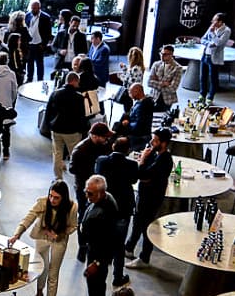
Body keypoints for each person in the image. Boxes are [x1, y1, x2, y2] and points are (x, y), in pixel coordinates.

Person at [13, 181, 77, 296]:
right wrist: (17, 234)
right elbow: (28, 217)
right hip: (42, 236)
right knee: (41, 268)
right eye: (51, 196)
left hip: (59, 240)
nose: (52, 200)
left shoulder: (72, 207)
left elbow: (73, 226)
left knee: (53, 273)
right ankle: (39, 293)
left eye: (56, 198)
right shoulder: (43, 202)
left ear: (63, 197)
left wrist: (60, 234)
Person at [126, 128, 176, 263]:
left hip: (151, 198)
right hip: (144, 195)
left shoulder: (164, 160)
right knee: (137, 222)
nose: (151, 142)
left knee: (146, 227)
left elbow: (143, 175)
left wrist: (142, 160)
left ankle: (144, 258)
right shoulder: (155, 154)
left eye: (155, 140)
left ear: (164, 143)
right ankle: (129, 247)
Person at [76, 174, 123, 296]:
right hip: (93, 252)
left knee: (96, 290)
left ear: (101, 193)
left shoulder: (103, 214)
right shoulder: (105, 198)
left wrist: (96, 263)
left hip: (97, 257)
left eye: (90, 193)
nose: (86, 195)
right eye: (86, 191)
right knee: (96, 289)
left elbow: (109, 242)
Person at [94, 138, 138, 287]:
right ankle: (118, 276)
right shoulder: (132, 165)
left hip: (105, 208)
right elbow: (133, 180)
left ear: (113, 146)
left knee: (101, 241)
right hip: (123, 209)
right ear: (128, 151)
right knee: (119, 245)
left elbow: (97, 176)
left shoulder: (101, 161)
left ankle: (98, 271)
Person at [69, 123, 114, 198]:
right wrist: (91, 170)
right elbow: (72, 169)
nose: (107, 139)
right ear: (95, 136)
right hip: (85, 187)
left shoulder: (104, 145)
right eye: (105, 137)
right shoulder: (80, 150)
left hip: (100, 185)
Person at [199, 12, 234, 102]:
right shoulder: (211, 27)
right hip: (205, 55)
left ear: (220, 22)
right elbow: (203, 39)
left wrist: (212, 34)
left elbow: (219, 43)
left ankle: (210, 98)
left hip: (214, 57)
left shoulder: (226, 30)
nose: (212, 21)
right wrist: (210, 44)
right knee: (203, 77)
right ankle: (202, 95)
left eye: (214, 20)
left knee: (213, 78)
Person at [122, 82, 158, 150]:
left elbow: (139, 124)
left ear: (136, 91)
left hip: (139, 136)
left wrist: (128, 124)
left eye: (130, 92)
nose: (129, 95)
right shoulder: (141, 101)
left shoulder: (143, 105)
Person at [23, 0, 52, 82]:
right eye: (32, 8)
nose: (33, 10)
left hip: (39, 43)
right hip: (29, 43)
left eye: (35, 8)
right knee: (29, 62)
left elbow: (48, 32)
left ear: (39, 8)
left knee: (40, 63)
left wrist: (44, 44)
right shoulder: (27, 15)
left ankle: (40, 79)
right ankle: (29, 78)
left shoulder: (46, 17)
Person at [148, 45, 183, 110]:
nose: (162, 56)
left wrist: (157, 82)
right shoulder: (156, 64)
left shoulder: (178, 68)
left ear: (171, 55)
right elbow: (149, 83)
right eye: (161, 53)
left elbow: (173, 88)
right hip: (154, 96)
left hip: (167, 100)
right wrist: (163, 84)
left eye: (165, 54)